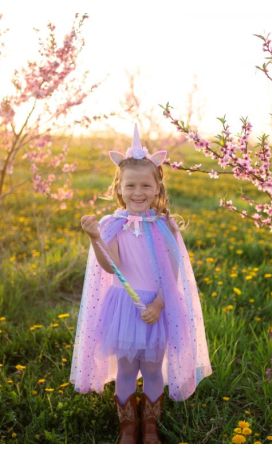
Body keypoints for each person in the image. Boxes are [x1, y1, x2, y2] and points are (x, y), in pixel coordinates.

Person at [70, 124, 212, 444]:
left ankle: (149, 425)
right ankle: (126, 426)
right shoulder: (113, 225)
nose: (138, 192)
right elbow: (112, 267)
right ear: (119, 188)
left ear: (157, 187)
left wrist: (160, 303)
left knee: (151, 369)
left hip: (157, 306)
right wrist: (96, 239)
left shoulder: (165, 226)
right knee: (125, 369)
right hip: (125, 307)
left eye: (145, 185)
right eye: (130, 185)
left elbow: (172, 272)